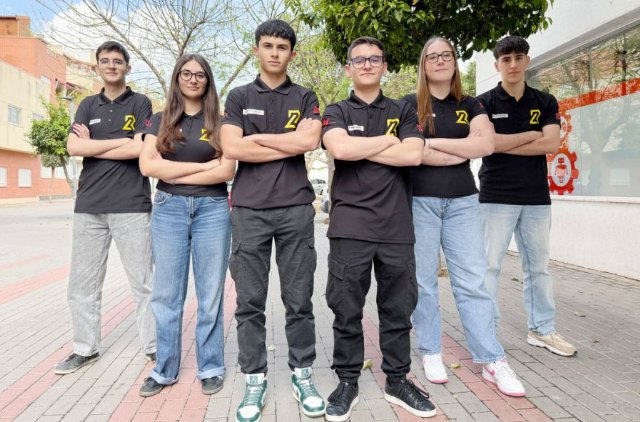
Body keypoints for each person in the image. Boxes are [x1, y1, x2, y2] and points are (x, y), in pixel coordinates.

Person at [402, 37, 525, 397]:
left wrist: (433, 144)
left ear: (454, 62)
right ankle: (430, 351)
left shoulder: (472, 104)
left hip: (463, 203)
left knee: (472, 281)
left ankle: (491, 359)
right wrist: (460, 150)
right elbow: (410, 153)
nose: (440, 60)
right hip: (419, 201)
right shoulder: (408, 105)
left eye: (446, 55)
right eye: (432, 56)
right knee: (423, 281)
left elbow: (485, 145)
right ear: (423, 64)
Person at [322, 36, 436, 421]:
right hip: (350, 226)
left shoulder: (403, 109)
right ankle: (347, 381)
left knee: (398, 310)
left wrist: (366, 146)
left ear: (385, 66)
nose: (367, 65)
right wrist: (389, 142)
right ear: (348, 68)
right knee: (346, 309)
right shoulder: (336, 110)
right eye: (360, 60)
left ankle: (398, 380)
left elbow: (414, 154)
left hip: (396, 227)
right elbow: (340, 149)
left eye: (374, 59)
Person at [220, 20, 325, 422]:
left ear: (292, 54)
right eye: (268, 46)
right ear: (256, 50)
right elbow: (231, 147)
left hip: (295, 208)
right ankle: (254, 378)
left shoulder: (305, 95)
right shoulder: (239, 96)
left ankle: (302, 374)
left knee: (299, 300)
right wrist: (287, 141)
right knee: (249, 302)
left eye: (282, 47)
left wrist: (256, 139)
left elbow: (309, 141)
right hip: (249, 210)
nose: (275, 53)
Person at [136, 54, 235, 397]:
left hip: (213, 209)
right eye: (186, 73)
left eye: (200, 75)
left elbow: (227, 171)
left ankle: (211, 365)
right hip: (169, 209)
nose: (193, 79)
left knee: (210, 293)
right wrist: (203, 168)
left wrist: (175, 172)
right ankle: (164, 369)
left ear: (208, 81)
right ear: (177, 78)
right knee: (166, 294)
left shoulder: (222, 122)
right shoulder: (160, 119)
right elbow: (148, 167)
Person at [55, 41, 156, 374]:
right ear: (98, 66)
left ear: (128, 67)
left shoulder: (140, 103)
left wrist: (93, 145)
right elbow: (73, 147)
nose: (111, 66)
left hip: (131, 206)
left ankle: (154, 347)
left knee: (144, 283)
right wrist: (121, 141)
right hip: (89, 206)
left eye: (117, 61)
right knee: (82, 285)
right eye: (105, 61)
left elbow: (140, 149)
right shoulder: (87, 105)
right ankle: (85, 349)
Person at [477, 35, 577, 357]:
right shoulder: (483, 103)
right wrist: (531, 135)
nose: (513, 65)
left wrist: (505, 142)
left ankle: (542, 330)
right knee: (489, 267)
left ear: (527, 61)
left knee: (538, 268)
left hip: (536, 198)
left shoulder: (545, 101)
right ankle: (486, 333)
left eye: (519, 58)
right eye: (506, 60)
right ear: (497, 65)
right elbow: (487, 144)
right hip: (495, 196)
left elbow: (551, 144)